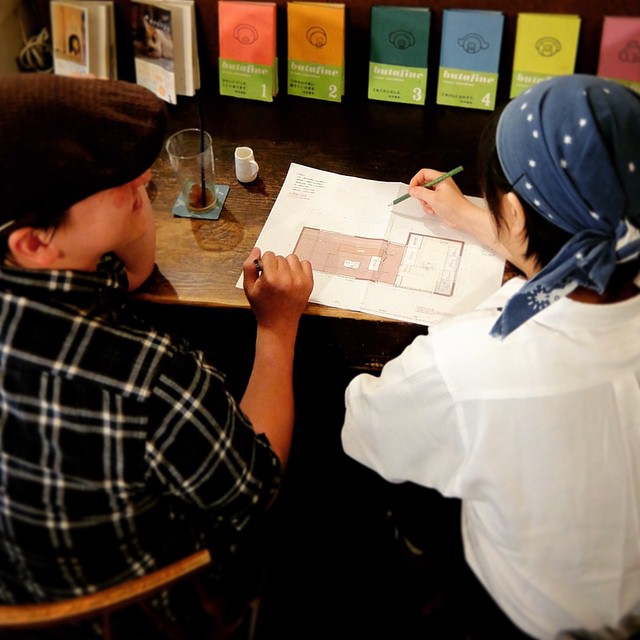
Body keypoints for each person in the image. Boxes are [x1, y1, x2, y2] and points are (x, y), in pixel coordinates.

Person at [0, 74, 313, 635]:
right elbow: (255, 485)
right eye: (116, 183)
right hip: (142, 611)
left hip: (20, 582)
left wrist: (122, 202)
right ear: (34, 242)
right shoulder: (148, 378)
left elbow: (135, 270)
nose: (144, 179)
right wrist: (277, 327)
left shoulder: (25, 261)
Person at [341, 74, 640, 639]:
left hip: (522, 617)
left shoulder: (470, 360)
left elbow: (367, 430)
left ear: (516, 213)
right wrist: (472, 217)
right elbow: (582, 253)